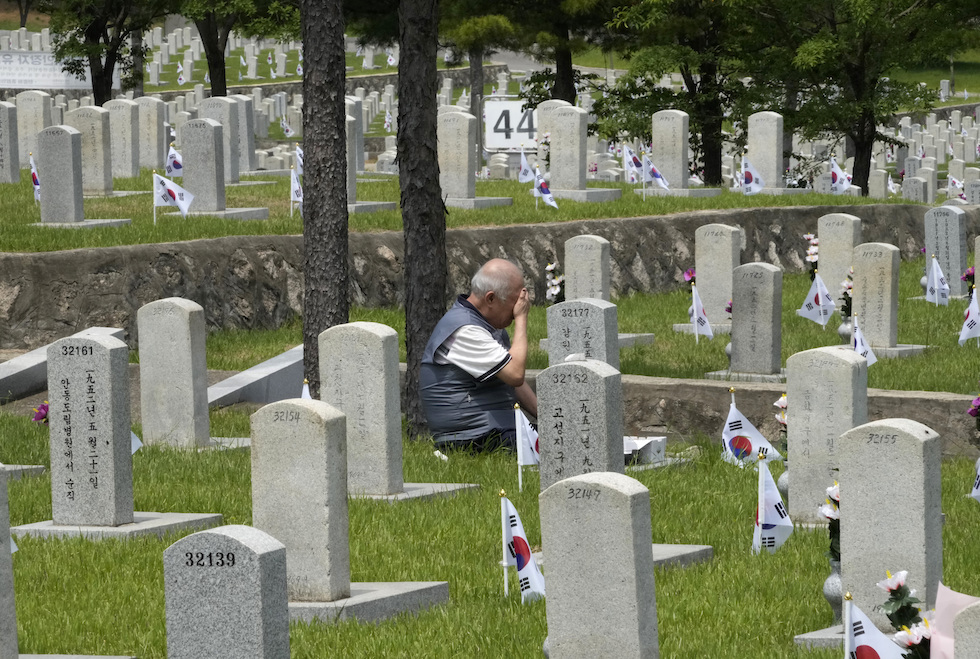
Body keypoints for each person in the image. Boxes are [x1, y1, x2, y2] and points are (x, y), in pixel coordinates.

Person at [420, 258, 538, 451]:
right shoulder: (465, 331)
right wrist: (521, 320)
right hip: (469, 436)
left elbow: (511, 378)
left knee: (561, 438)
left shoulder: (487, 325)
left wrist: (549, 420)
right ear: (490, 298)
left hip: (493, 429)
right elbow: (515, 374)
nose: (520, 306)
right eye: (515, 301)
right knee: (558, 451)